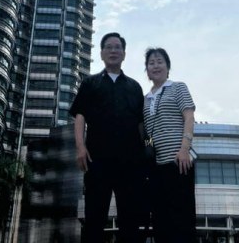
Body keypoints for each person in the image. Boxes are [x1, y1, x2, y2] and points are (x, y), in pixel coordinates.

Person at [69, 32, 145, 243]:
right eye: (109, 47)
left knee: (130, 219)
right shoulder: (90, 83)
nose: (113, 51)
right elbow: (80, 115)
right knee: (94, 217)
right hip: (97, 161)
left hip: (130, 163)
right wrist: (80, 147)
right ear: (102, 53)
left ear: (124, 54)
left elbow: (142, 126)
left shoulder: (135, 87)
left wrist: (148, 148)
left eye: (117, 47)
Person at [144, 47, 196, 243]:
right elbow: (146, 132)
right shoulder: (145, 99)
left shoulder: (178, 87)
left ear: (168, 66)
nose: (155, 66)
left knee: (182, 218)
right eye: (151, 63)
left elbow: (189, 117)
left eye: (160, 61)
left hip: (178, 162)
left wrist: (184, 149)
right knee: (160, 219)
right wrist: (148, 150)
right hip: (156, 168)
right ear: (147, 70)